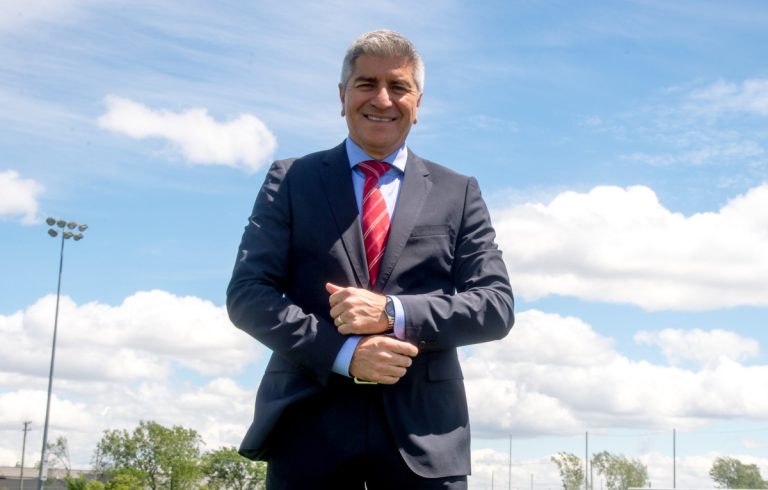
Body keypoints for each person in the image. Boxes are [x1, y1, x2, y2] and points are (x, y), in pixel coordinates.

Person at [227, 29, 514, 489]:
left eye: (398, 86)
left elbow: (496, 306)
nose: (382, 98)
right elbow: (247, 295)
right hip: (308, 429)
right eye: (366, 84)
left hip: (425, 439)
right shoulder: (291, 180)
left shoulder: (458, 192)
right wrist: (343, 353)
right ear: (342, 96)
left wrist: (394, 313)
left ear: (418, 103)